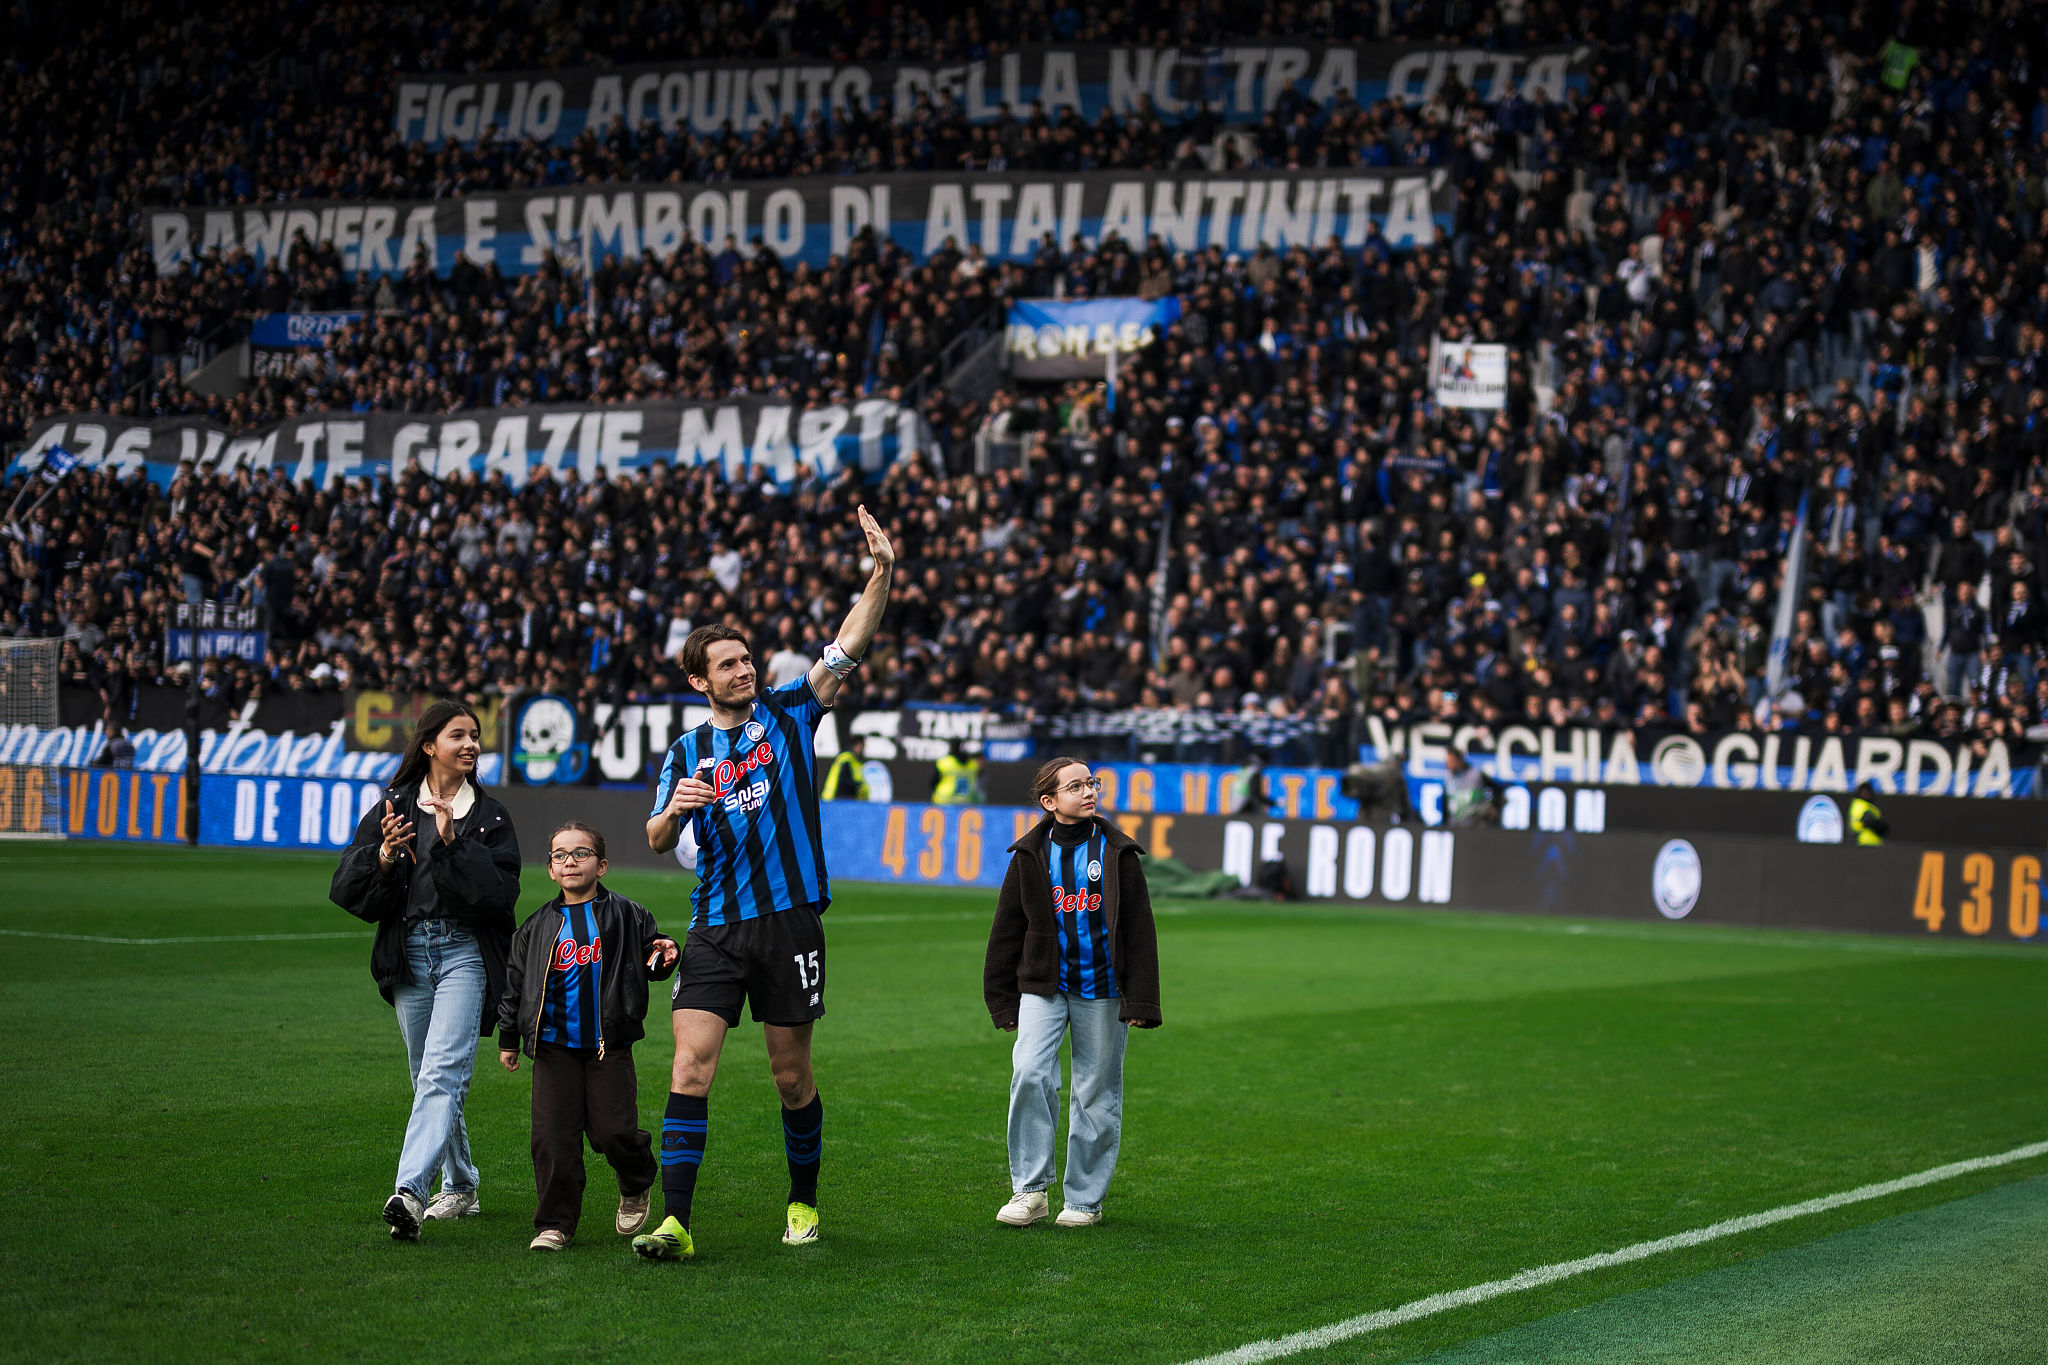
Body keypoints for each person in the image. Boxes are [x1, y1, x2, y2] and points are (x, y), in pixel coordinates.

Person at [634, 505, 896, 1261]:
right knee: (690, 1063)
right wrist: (676, 810)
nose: (745, 670)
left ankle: (803, 1201)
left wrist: (881, 574)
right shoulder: (684, 750)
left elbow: (846, 647)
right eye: (729, 665)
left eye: (747, 659)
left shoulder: (788, 716)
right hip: (714, 925)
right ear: (698, 679)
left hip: (789, 923)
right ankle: (675, 1221)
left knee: (790, 1073)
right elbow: (652, 834)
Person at [330, 700, 520, 1241]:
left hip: (465, 955)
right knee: (429, 1078)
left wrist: (454, 844)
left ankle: (409, 1192)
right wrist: (385, 857)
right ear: (429, 745)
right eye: (458, 735)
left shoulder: (491, 816)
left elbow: (500, 897)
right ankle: (461, 1185)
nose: (471, 744)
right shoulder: (392, 805)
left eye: (476, 736)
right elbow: (347, 888)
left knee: (440, 1074)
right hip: (409, 953)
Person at [983, 758, 1161, 1228]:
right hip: (1043, 988)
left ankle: (1084, 1200)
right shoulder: (1030, 854)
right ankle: (1030, 1191)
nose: (1088, 791)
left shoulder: (1118, 852)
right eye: (1076, 785)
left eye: (1091, 783)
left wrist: (1141, 999)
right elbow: (1006, 930)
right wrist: (1001, 999)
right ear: (1050, 801)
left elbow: (1140, 931)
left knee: (1095, 1093)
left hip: (1103, 990)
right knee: (1029, 1073)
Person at [498, 822, 680, 1251]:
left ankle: (636, 1181)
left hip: (608, 1045)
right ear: (549, 870)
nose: (570, 861)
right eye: (560, 855)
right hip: (553, 1047)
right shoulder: (536, 926)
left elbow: (652, 957)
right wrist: (509, 1037)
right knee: (552, 1137)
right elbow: (515, 985)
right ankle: (554, 1223)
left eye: (581, 854)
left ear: (602, 865)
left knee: (614, 1132)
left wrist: (665, 953)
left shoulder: (628, 914)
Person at [820, 734, 870, 801]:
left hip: (845, 799)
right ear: (858, 745)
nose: (863, 749)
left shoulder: (855, 761)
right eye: (863, 745)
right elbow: (844, 780)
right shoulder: (846, 759)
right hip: (837, 799)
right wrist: (858, 785)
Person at [1849, 779, 1889, 846]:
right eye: (1863, 792)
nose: (1866, 794)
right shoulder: (1860, 805)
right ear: (1859, 793)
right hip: (1864, 843)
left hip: (1872, 843)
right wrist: (1881, 827)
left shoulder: (1868, 806)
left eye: (1868, 792)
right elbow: (1869, 821)